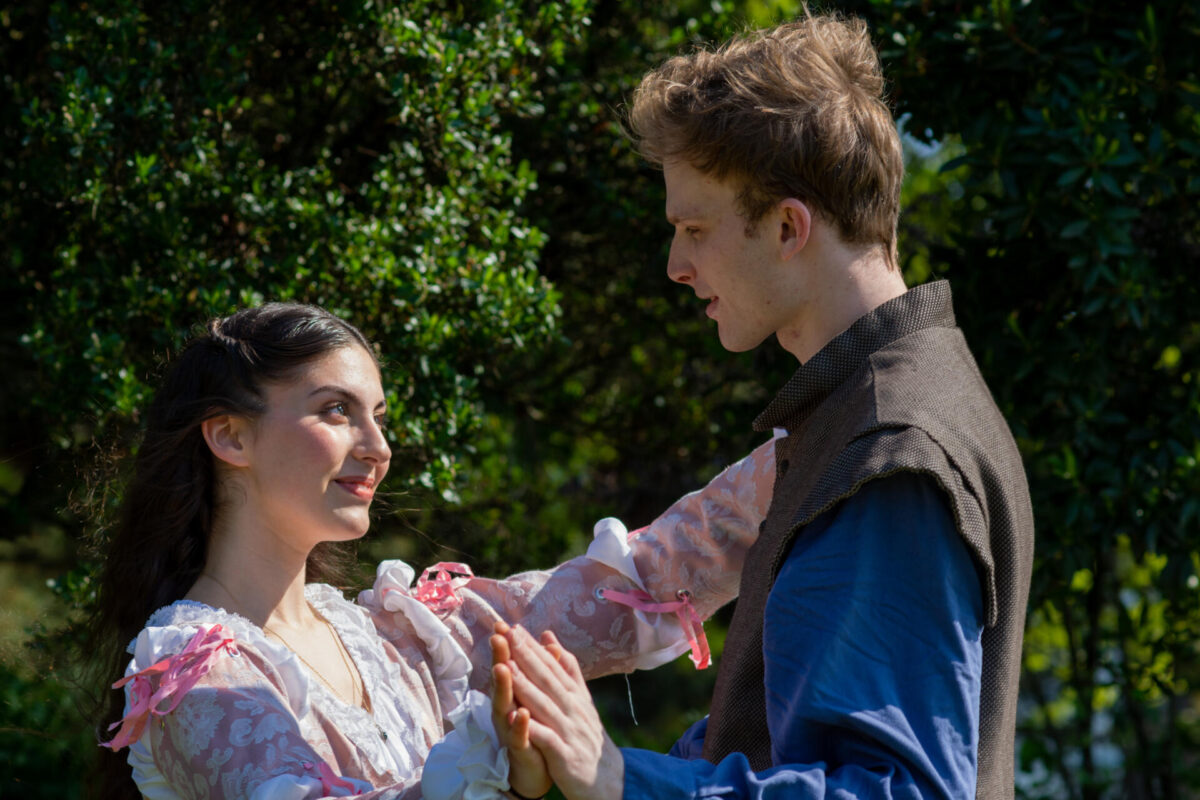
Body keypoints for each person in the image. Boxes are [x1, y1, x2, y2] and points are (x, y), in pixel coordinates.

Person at [495, 11, 1035, 800]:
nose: (676, 265)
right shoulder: (875, 406)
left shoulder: (892, 450)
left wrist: (618, 777)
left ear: (787, 226)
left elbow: (899, 792)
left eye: (694, 228)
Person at [89, 302, 777, 799]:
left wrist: (815, 446)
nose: (378, 448)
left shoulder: (402, 638)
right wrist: (498, 767)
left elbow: (641, 582)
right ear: (230, 438)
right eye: (336, 411)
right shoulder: (192, 676)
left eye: (378, 418)